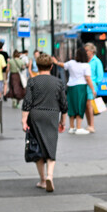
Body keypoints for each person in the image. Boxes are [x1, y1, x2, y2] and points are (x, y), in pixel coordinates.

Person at [21, 52, 66, 192]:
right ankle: (50, 176)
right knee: (50, 146)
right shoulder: (58, 82)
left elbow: (27, 102)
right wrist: (62, 122)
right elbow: (64, 104)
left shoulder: (33, 81)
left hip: (35, 115)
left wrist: (24, 120)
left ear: (37, 66)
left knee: (38, 147)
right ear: (51, 66)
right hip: (52, 115)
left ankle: (42, 180)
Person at [61, 46, 95, 135]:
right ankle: (78, 127)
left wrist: (55, 61)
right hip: (81, 87)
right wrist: (93, 89)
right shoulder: (86, 65)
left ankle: (72, 127)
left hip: (71, 87)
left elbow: (63, 65)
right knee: (80, 106)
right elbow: (88, 78)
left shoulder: (71, 63)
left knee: (71, 106)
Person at [83, 42, 104, 133]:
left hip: (91, 85)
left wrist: (95, 84)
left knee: (89, 105)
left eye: (87, 51)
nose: (85, 52)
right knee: (86, 106)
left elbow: (100, 76)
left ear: (92, 51)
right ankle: (89, 124)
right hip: (84, 85)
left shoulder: (96, 61)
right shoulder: (85, 60)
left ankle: (92, 125)